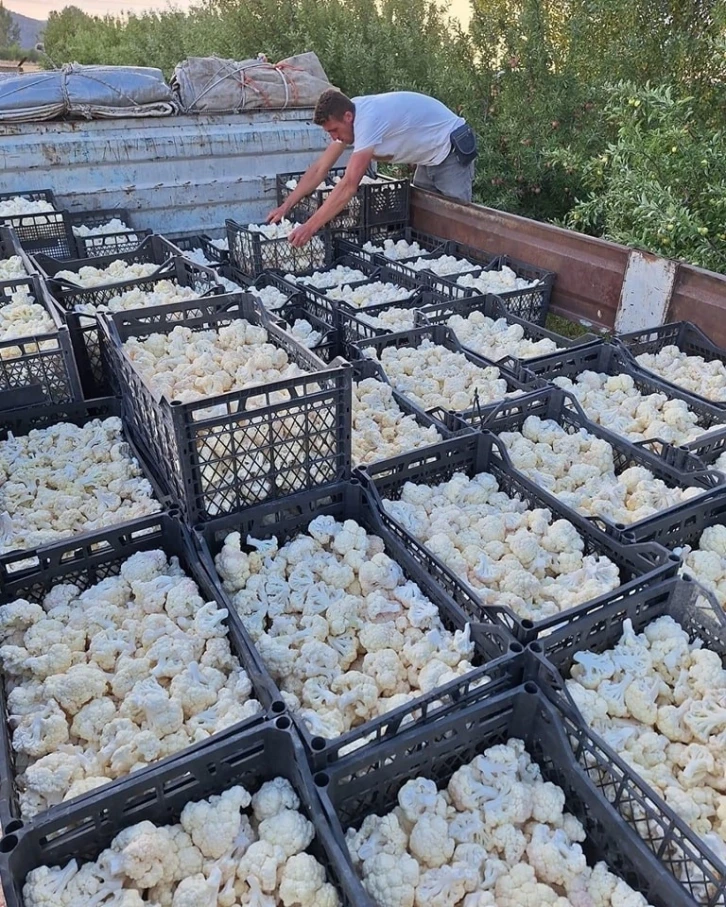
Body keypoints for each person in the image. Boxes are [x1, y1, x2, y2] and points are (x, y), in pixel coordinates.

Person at [267, 88, 477, 248]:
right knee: (426, 215)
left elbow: (349, 185)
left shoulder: (367, 121)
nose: (334, 137)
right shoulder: (350, 117)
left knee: (456, 219)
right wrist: (286, 206)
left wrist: (310, 227)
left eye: (334, 130)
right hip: (429, 156)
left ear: (347, 117)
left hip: (450, 149)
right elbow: (319, 169)